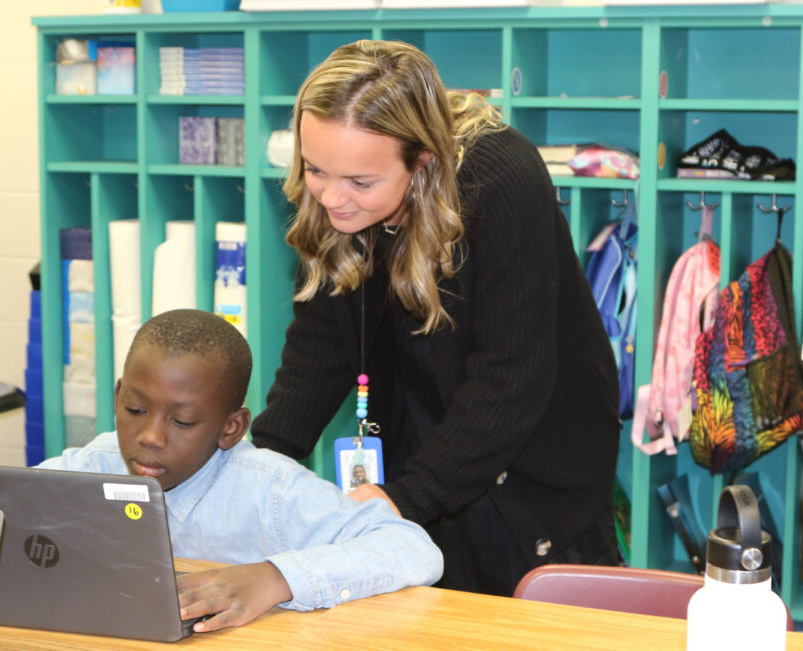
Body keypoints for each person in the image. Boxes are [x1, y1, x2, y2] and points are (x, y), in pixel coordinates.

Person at [251, 39, 622, 597]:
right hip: (424, 455)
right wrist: (256, 473)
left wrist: (406, 499)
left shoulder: (500, 179)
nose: (330, 199)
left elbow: (510, 380)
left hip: (534, 481)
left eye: (360, 182)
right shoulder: (339, 193)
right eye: (314, 170)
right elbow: (319, 350)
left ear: (422, 159)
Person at [37, 309, 442, 633]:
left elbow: (412, 548)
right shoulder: (95, 464)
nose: (150, 436)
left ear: (231, 428)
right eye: (135, 410)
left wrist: (275, 578)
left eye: (182, 422)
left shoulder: (271, 490)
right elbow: (4, 504)